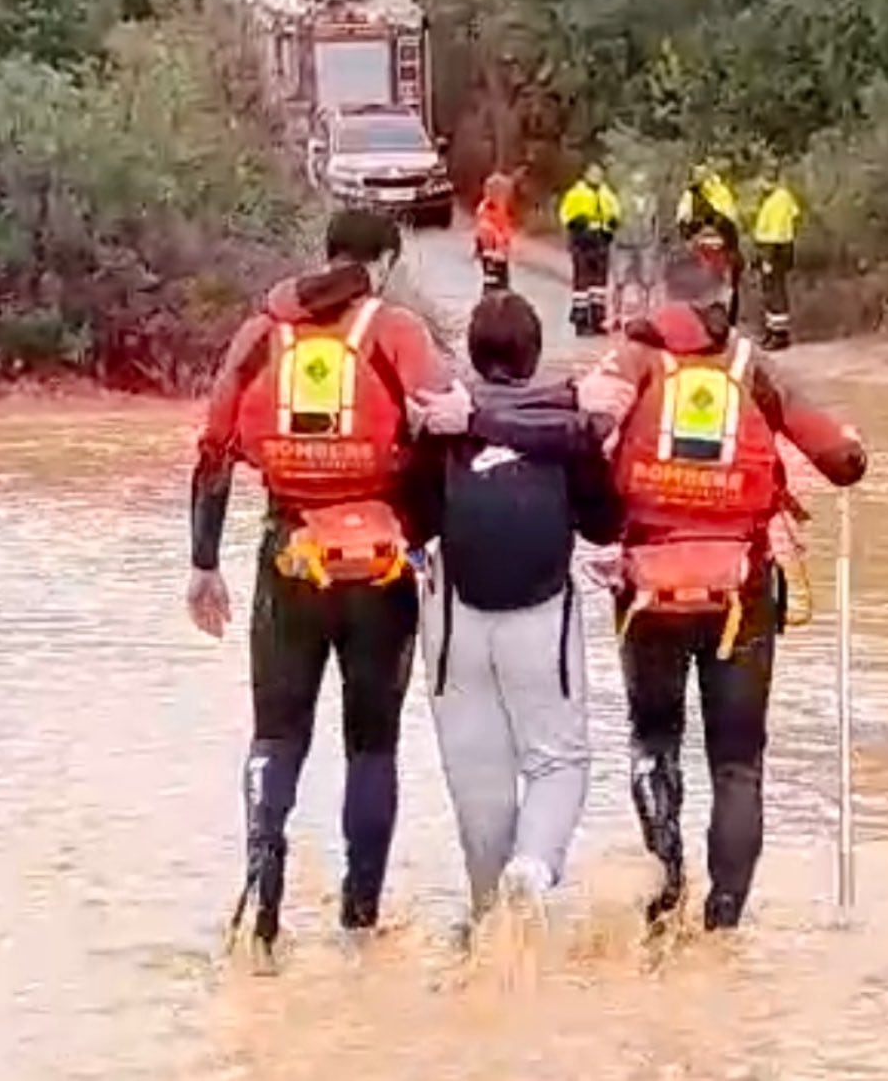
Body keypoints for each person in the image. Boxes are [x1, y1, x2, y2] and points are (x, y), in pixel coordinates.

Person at [187, 208, 452, 966]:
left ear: (326, 254)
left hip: (288, 556)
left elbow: (213, 453)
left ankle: (262, 914)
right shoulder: (397, 332)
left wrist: (203, 564)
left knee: (276, 738)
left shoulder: (263, 331)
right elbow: (442, 434)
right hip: (380, 568)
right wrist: (427, 540)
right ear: (388, 263)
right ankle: (359, 925)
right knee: (372, 746)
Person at [575, 250, 866, 933]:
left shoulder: (632, 360)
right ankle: (724, 922)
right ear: (726, 295)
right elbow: (842, 461)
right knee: (738, 763)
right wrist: (852, 446)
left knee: (654, 741)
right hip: (741, 593)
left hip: (648, 590)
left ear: (660, 300)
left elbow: (581, 436)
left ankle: (666, 885)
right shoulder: (752, 367)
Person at [405, 290, 625, 935]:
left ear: (473, 354)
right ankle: (531, 869)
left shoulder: (443, 421)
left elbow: (415, 520)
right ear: (532, 358)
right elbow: (606, 523)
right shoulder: (569, 428)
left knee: (476, 768)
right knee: (559, 761)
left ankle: (484, 923)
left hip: (454, 621)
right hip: (539, 613)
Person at [675, 163, 744, 326]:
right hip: (700, 250)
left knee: (725, 288)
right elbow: (682, 220)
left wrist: (714, 221)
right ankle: (702, 322)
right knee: (701, 288)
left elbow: (730, 220)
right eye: (696, 174)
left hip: (721, 249)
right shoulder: (690, 195)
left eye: (702, 174)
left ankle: (727, 322)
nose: (699, 178)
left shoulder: (721, 193)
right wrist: (689, 236)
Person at [558, 163, 622, 337]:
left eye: (599, 173)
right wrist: (575, 224)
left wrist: (613, 223)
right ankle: (581, 320)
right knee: (582, 283)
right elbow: (565, 213)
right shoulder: (576, 193)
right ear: (586, 174)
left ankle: (597, 319)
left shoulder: (606, 193)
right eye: (594, 173)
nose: (597, 176)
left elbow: (615, 212)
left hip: (600, 241)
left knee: (599, 285)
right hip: (582, 241)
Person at [752, 170, 802, 351]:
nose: (760, 187)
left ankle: (779, 336)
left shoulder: (775, 200)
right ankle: (773, 332)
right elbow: (795, 217)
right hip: (782, 247)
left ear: (769, 182)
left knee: (774, 293)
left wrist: (767, 258)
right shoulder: (785, 197)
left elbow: (772, 232)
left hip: (773, 248)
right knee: (774, 291)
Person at [612, 170, 660, 325]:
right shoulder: (621, 197)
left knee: (646, 281)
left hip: (645, 243)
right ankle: (616, 315)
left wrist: (655, 242)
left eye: (643, 182)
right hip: (624, 243)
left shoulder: (652, 199)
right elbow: (613, 216)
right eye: (636, 182)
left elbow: (656, 223)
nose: (639, 186)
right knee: (620, 281)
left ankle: (645, 314)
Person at [474, 172, 516, 291]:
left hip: (501, 252)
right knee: (493, 281)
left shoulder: (501, 207)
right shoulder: (486, 208)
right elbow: (484, 227)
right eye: (503, 194)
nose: (505, 198)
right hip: (491, 252)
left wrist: (507, 238)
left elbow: (505, 225)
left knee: (503, 280)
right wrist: (498, 239)